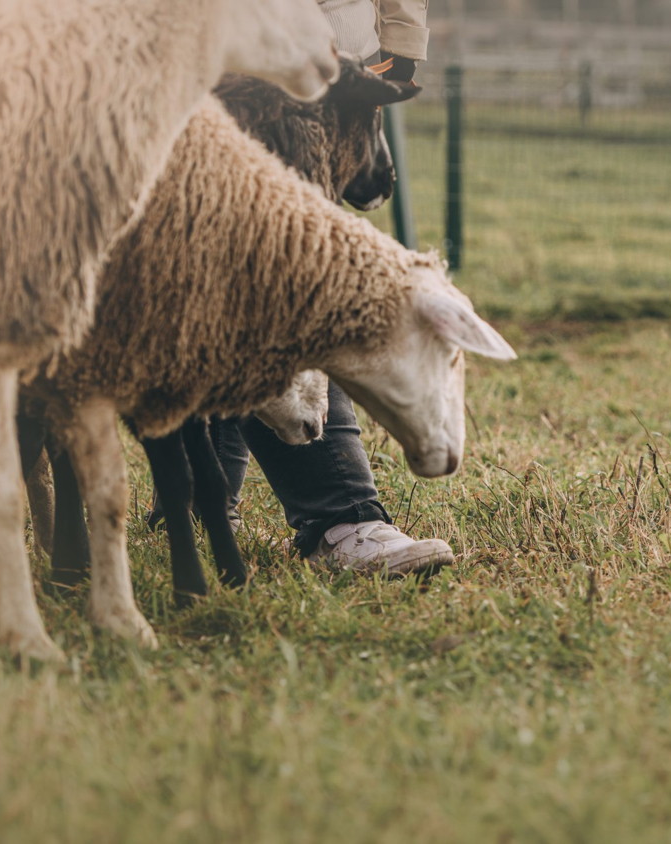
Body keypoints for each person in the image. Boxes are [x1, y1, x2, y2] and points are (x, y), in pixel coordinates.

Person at [209, 0, 446, 578]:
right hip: (219, 55)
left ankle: (205, 505)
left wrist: (403, 42)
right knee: (241, 268)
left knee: (274, 268)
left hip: (338, 61)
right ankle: (340, 518)